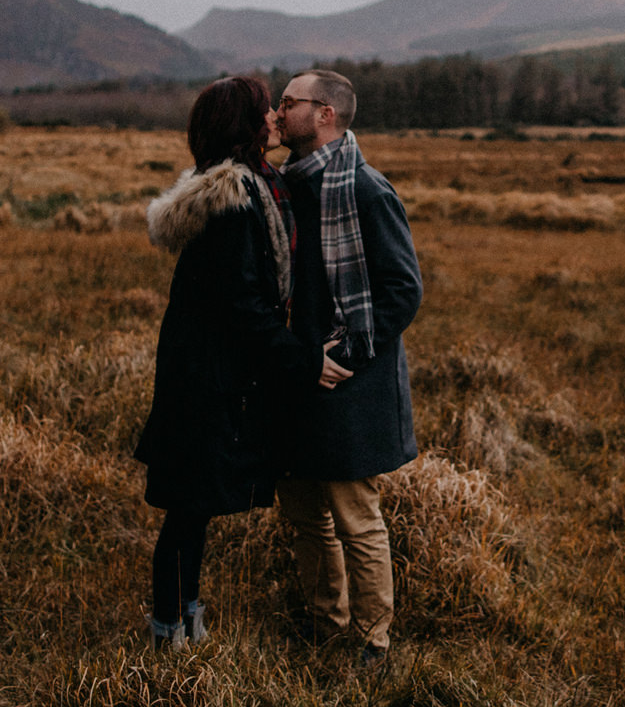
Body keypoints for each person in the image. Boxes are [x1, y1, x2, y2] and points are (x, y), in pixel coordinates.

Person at [135, 75, 331, 650]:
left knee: (191, 508)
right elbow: (244, 302)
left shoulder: (247, 188)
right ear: (243, 124)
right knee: (187, 511)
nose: (274, 116)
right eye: (264, 109)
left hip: (206, 373)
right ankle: (169, 633)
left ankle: (183, 618)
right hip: (207, 380)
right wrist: (301, 360)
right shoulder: (235, 200)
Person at [274, 68, 424, 666]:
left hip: (349, 385)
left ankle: (372, 642)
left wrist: (344, 356)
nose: (278, 114)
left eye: (289, 103)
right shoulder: (287, 186)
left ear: (326, 113)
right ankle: (324, 623)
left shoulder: (365, 189)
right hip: (296, 378)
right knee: (307, 514)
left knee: (356, 517)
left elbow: (403, 290)